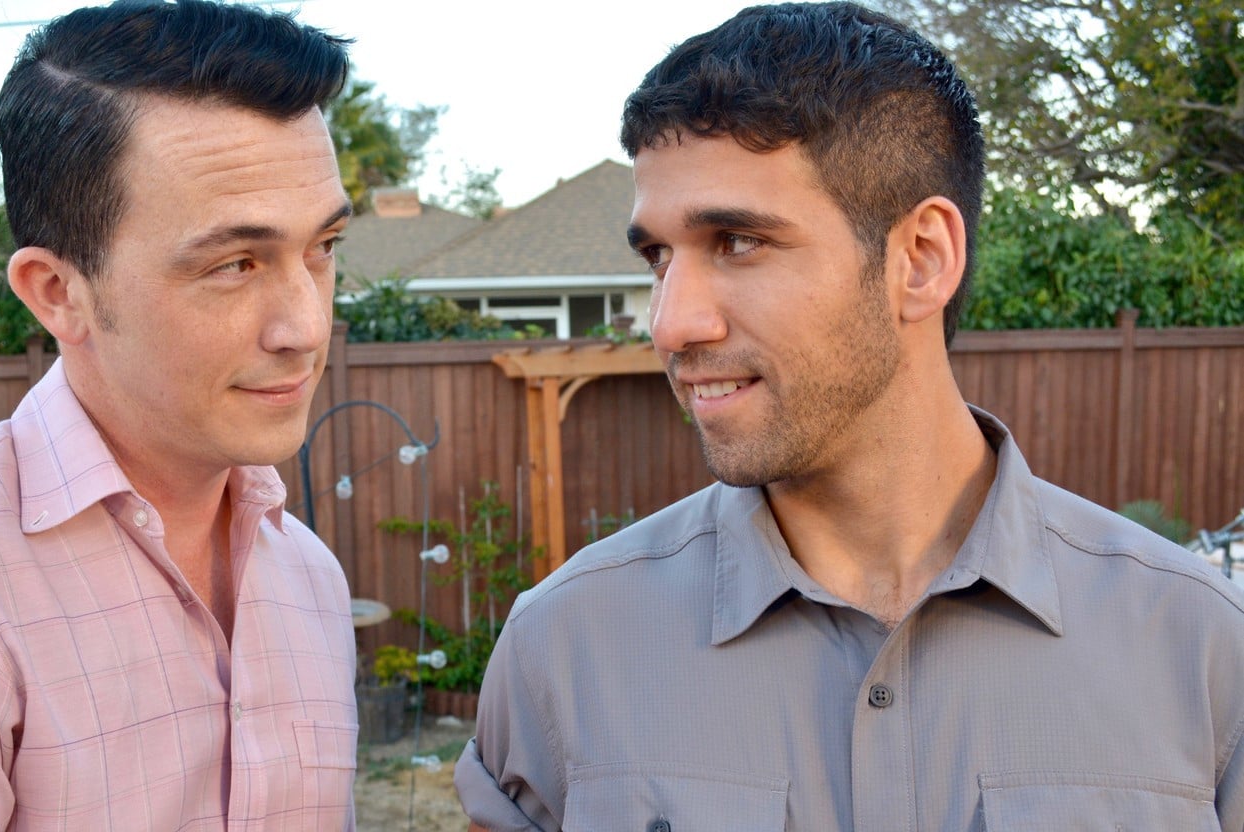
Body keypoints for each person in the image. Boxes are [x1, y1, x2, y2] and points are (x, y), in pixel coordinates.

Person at [454, 3, 1244, 829]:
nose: (670, 323)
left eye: (737, 241)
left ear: (920, 259)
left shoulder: (1201, 656)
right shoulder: (564, 650)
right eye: (658, 256)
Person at [0, 1, 360, 828]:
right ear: (57, 294)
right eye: (234, 264)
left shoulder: (308, 579)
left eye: (322, 249)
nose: (305, 327)